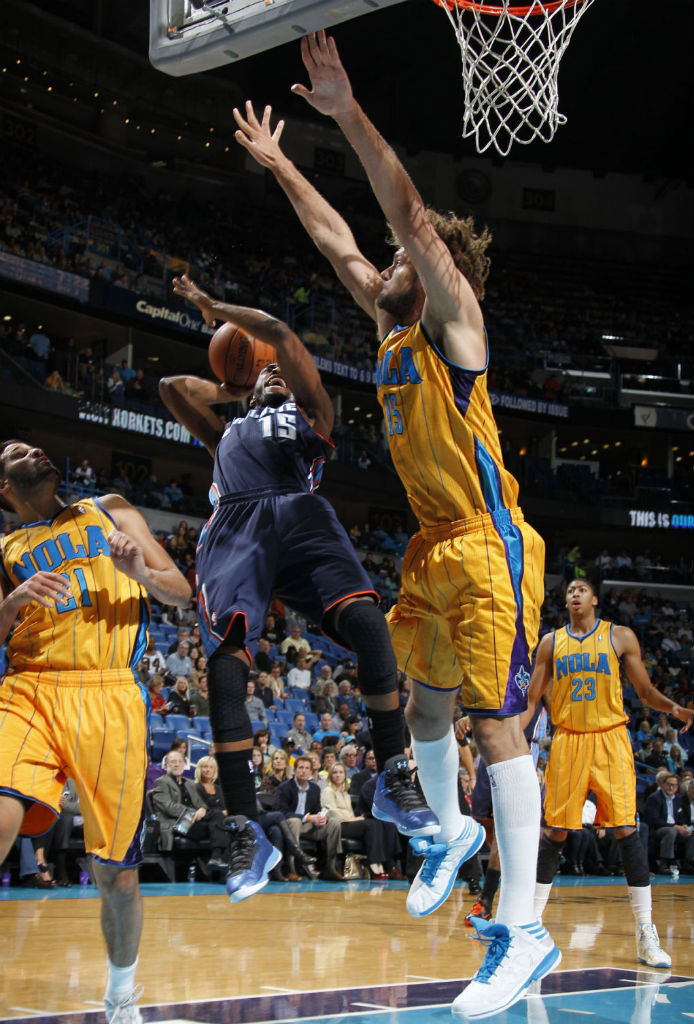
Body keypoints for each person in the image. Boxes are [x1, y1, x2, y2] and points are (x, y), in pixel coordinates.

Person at [233, 31, 548, 1016]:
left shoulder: (456, 321)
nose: (393, 265)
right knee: (422, 709)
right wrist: (284, 160)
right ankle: (452, 840)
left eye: (414, 256)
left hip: (489, 545)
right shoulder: (392, 323)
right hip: (430, 548)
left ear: (447, 267)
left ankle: (525, 929)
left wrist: (345, 112)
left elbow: (403, 216)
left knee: (494, 721)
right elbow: (338, 240)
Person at [159, 277, 437, 900]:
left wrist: (219, 315)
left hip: (301, 510)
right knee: (227, 665)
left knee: (368, 623)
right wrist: (239, 386)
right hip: (236, 523)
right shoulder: (225, 432)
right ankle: (242, 826)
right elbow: (171, 387)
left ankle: (394, 773)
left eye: (279, 372)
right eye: (267, 372)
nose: (278, 372)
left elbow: (281, 335)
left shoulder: (312, 415)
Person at [0, 439, 191, 1022]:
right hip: (28, 689)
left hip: (109, 694)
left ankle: (120, 994)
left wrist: (139, 569)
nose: (31, 448)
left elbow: (181, 593)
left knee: (117, 873)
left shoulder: (110, 508)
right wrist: (13, 604)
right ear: (3, 486)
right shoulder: (3, 548)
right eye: (13, 451)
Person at [523, 577, 693, 970]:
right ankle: (530, 928)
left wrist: (676, 710)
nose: (575, 594)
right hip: (567, 739)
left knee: (625, 830)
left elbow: (646, 692)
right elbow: (532, 698)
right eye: (569, 591)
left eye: (581, 589)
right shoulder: (550, 643)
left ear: (594, 599)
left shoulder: (619, 637)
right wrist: (515, 735)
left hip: (610, 737)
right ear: (565, 602)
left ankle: (645, 932)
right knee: (556, 831)